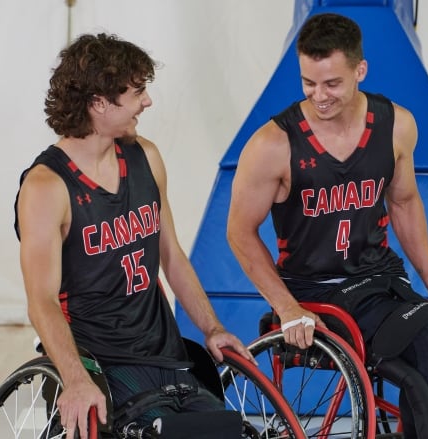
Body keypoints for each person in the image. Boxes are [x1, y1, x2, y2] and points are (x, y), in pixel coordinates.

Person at [226, 13, 428, 439]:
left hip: (378, 280)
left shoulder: (396, 125)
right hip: (314, 289)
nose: (319, 96)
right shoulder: (272, 145)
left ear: (360, 70)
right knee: (425, 353)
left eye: (332, 83)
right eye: (308, 83)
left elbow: (405, 201)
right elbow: (239, 233)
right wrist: (286, 307)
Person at [14, 33, 253, 439]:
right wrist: (74, 378)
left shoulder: (146, 156)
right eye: (137, 91)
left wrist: (212, 327)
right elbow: (42, 301)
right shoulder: (46, 188)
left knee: (229, 431)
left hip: (164, 353)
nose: (147, 101)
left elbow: (172, 256)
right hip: (101, 361)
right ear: (99, 102)